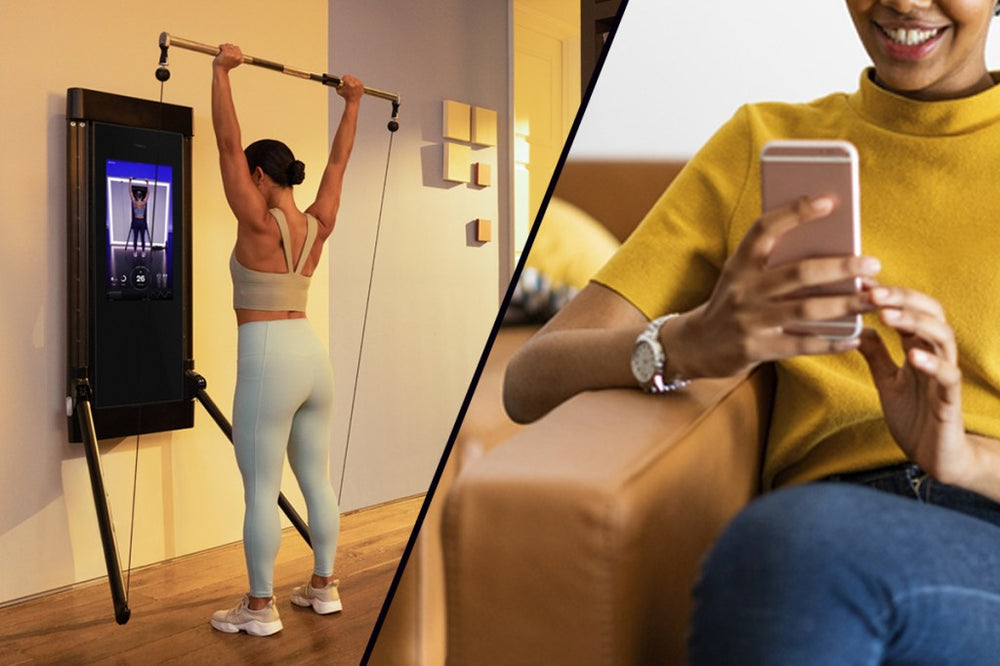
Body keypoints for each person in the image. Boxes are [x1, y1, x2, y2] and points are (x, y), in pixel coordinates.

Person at [504, 0, 1000, 661]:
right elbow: (528, 380)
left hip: (960, 531)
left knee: (798, 549)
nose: (906, 2)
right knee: (796, 552)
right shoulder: (760, 142)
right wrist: (688, 342)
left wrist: (964, 460)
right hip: (807, 543)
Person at [207, 42, 364, 637]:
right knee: (316, 478)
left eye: (246, 170)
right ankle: (323, 588)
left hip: (268, 357)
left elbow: (226, 142)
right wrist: (352, 104)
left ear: (257, 175)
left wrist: (221, 72)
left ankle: (259, 607)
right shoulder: (318, 224)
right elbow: (338, 166)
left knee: (260, 488)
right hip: (311, 357)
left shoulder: (254, 219)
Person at [126, 177, 151, 257]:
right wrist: (129, 182)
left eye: (140, 194)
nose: (139, 195)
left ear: (141, 196)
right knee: (135, 238)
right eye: (138, 194)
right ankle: (135, 251)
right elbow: (130, 192)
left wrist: (147, 183)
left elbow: (148, 193)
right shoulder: (134, 202)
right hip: (136, 221)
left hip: (142, 221)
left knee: (143, 238)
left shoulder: (143, 202)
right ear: (137, 195)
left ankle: (143, 251)